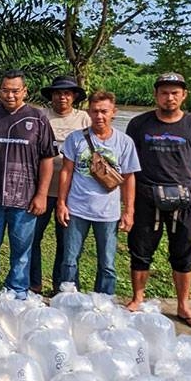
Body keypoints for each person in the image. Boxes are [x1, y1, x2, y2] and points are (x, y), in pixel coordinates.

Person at [126, 72, 191, 329]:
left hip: (182, 198)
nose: (169, 97)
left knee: (183, 251)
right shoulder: (140, 124)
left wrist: (183, 178)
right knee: (140, 249)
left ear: (184, 95)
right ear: (156, 95)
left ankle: (183, 305)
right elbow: (130, 158)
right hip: (146, 195)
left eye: (175, 92)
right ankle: (137, 298)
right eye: (164, 92)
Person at [0, 70, 56, 302]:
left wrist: (41, 195)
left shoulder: (38, 118)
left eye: (15, 91)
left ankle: (17, 288)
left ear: (25, 91)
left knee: (22, 249)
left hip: (25, 198)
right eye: (6, 90)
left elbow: (47, 158)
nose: (10, 95)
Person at [56, 91, 140, 294]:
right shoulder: (76, 139)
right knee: (69, 260)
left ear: (114, 112)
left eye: (104, 111)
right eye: (95, 111)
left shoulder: (124, 142)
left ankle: (104, 301)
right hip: (77, 209)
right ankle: (69, 297)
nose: (99, 116)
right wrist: (61, 203)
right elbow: (66, 171)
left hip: (108, 213)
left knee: (108, 263)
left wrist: (129, 211)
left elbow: (129, 178)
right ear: (89, 112)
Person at [33, 76, 91, 294]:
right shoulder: (42, 116)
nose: (62, 97)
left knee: (67, 243)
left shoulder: (83, 119)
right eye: (58, 93)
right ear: (52, 96)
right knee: (33, 238)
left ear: (74, 96)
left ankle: (63, 287)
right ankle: (34, 283)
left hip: (71, 192)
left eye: (67, 93)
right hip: (42, 189)